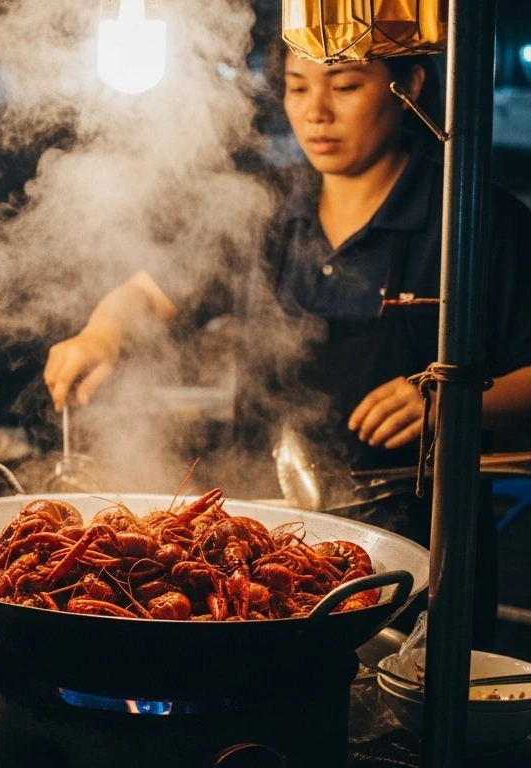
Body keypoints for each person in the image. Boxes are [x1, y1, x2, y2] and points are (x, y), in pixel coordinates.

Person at [41, 45, 531, 642]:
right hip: (255, 554)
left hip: (423, 555)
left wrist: (450, 398)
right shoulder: (264, 208)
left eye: (345, 86)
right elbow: (146, 294)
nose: (316, 111)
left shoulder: (474, 219)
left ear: (410, 86)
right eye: (298, 87)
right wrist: (101, 334)